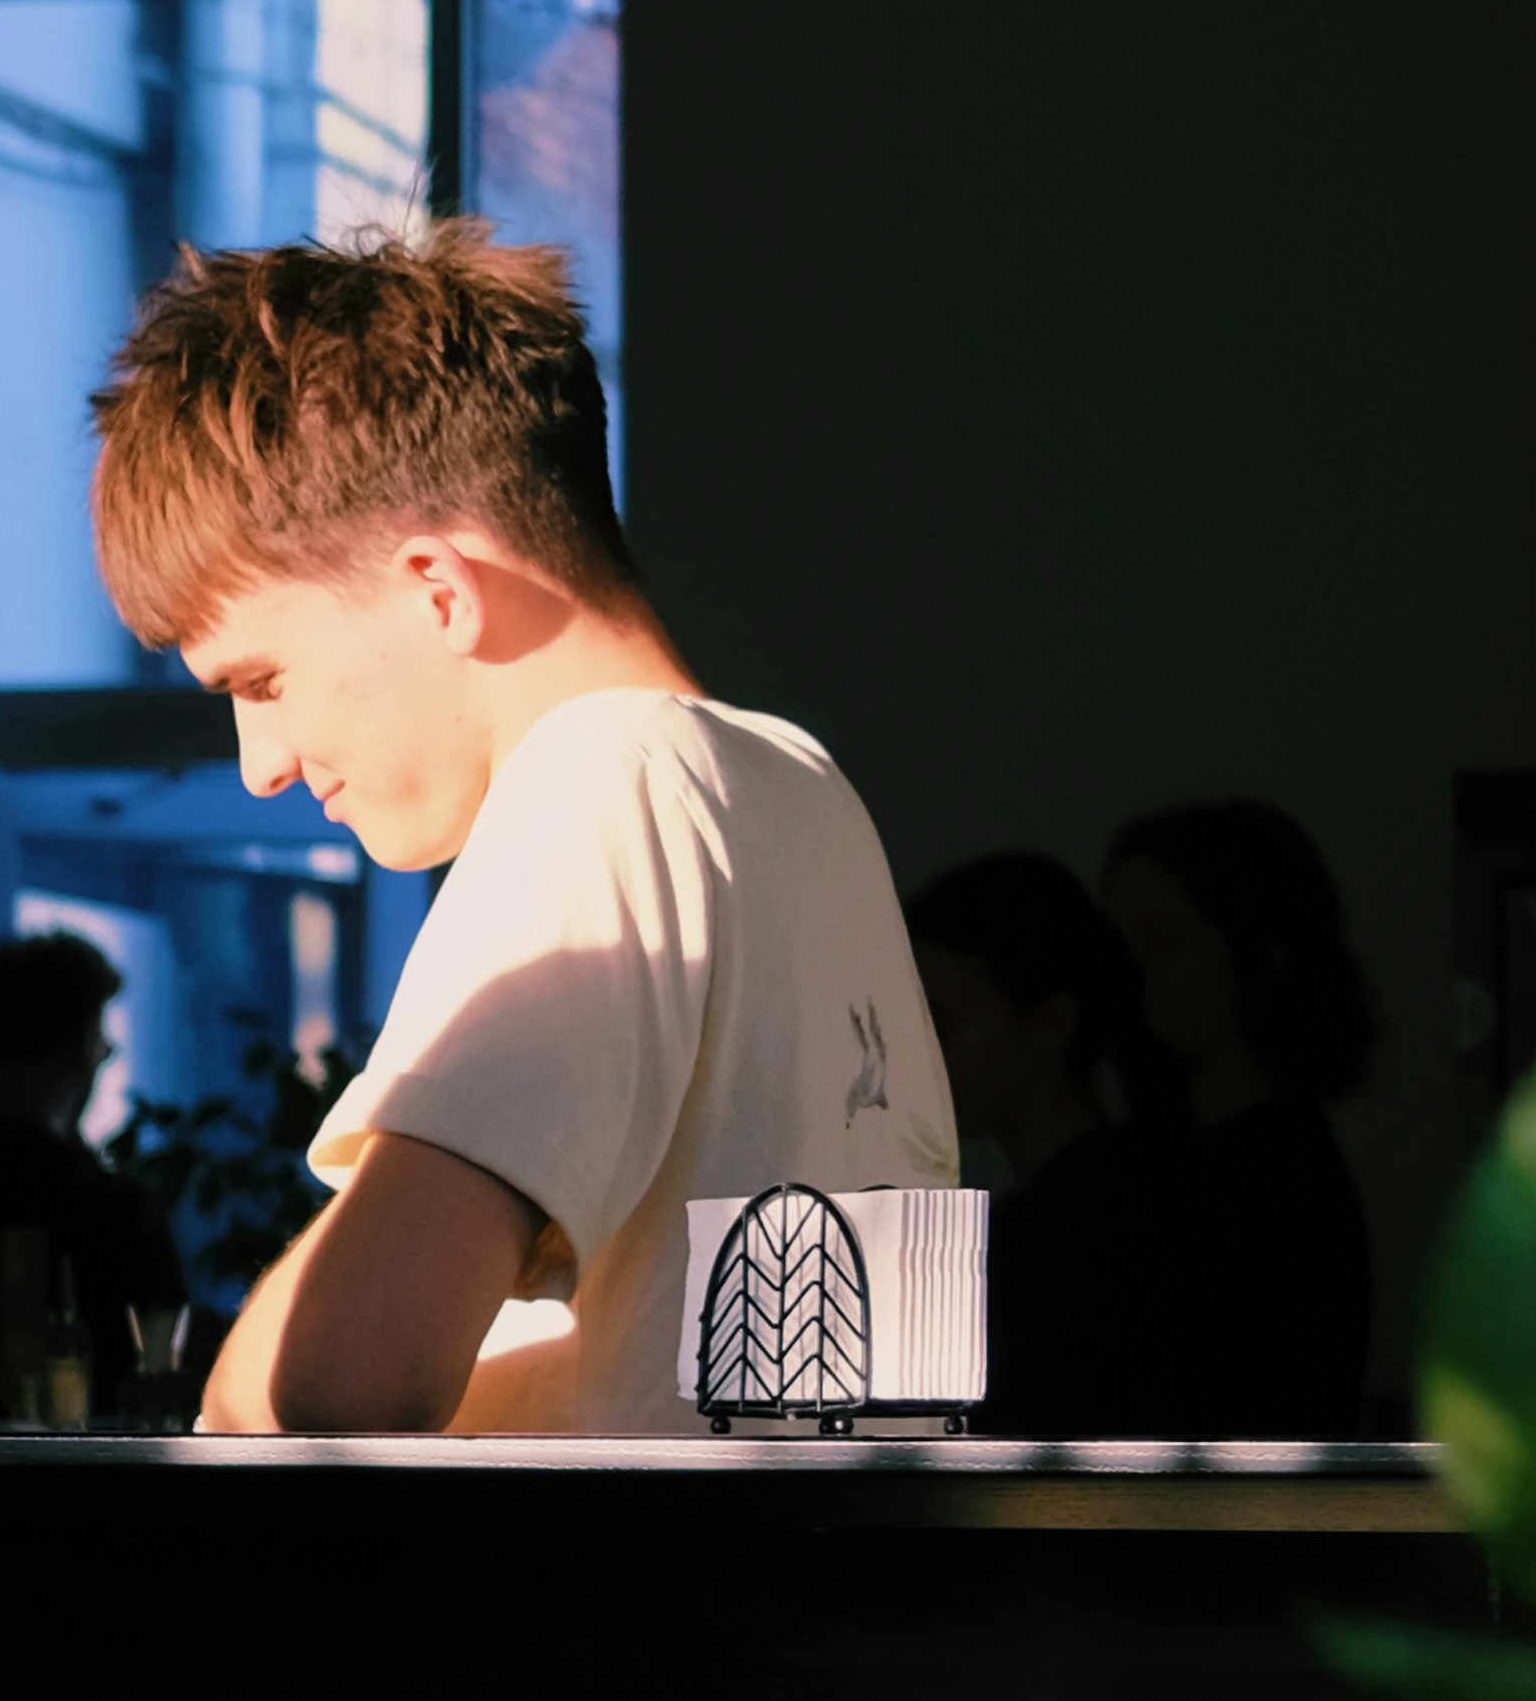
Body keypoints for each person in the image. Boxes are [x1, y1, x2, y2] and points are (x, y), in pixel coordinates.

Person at [84, 221, 954, 1436]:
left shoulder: (599, 780)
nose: (261, 767)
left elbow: (339, 1385)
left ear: (438, 587)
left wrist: (237, 1382)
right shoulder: (804, 795)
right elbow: (830, 1393)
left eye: (259, 682)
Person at [1101, 797, 1381, 1436]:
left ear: (1266, 955)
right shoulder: (1196, 1163)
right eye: (1121, 949)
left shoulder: (1270, 1182)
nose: (1130, 978)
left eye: (1164, 944)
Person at [901, 849, 1184, 1438]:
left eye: (942, 1027)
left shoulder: (1070, 1232)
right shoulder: (1122, 1201)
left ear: (1052, 1022)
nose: (913, 1060)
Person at [0, 925, 188, 1382]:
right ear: (81, 1048)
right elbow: (159, 1361)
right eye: (100, 1037)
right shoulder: (113, 1213)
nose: (105, 1052)